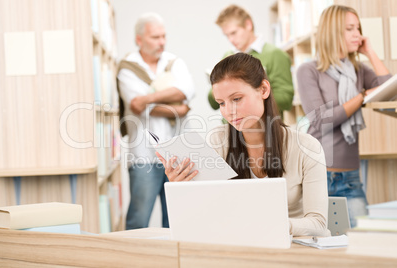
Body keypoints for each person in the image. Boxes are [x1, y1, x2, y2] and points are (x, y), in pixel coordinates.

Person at [157, 53, 331, 237]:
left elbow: (318, 223)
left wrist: (271, 226)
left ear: (263, 89)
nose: (229, 111)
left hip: (290, 250)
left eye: (237, 99)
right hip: (236, 246)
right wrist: (181, 189)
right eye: (221, 103)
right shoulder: (217, 141)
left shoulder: (306, 147)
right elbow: (202, 215)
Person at [296, 5, 392, 227]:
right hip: (316, 176)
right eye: (350, 28)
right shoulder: (309, 70)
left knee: (362, 243)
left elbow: (389, 93)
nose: (357, 34)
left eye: (358, 27)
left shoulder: (359, 71)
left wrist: (370, 52)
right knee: (322, 248)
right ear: (332, 32)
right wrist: (361, 97)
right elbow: (322, 121)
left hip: (350, 177)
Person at [117, 12, 195, 230]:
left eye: (163, 36)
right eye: (155, 37)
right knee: (138, 220)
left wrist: (148, 99)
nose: (161, 42)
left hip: (177, 155)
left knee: (177, 219)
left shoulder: (174, 62)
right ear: (139, 39)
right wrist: (176, 104)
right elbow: (136, 106)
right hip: (144, 156)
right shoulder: (127, 67)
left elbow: (187, 92)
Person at [208, 4, 294, 116]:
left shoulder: (275, 55)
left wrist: (246, 95)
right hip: (232, 129)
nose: (231, 40)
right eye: (227, 36)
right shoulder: (227, 56)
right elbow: (213, 103)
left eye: (234, 33)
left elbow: (286, 100)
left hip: (265, 128)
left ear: (248, 25)